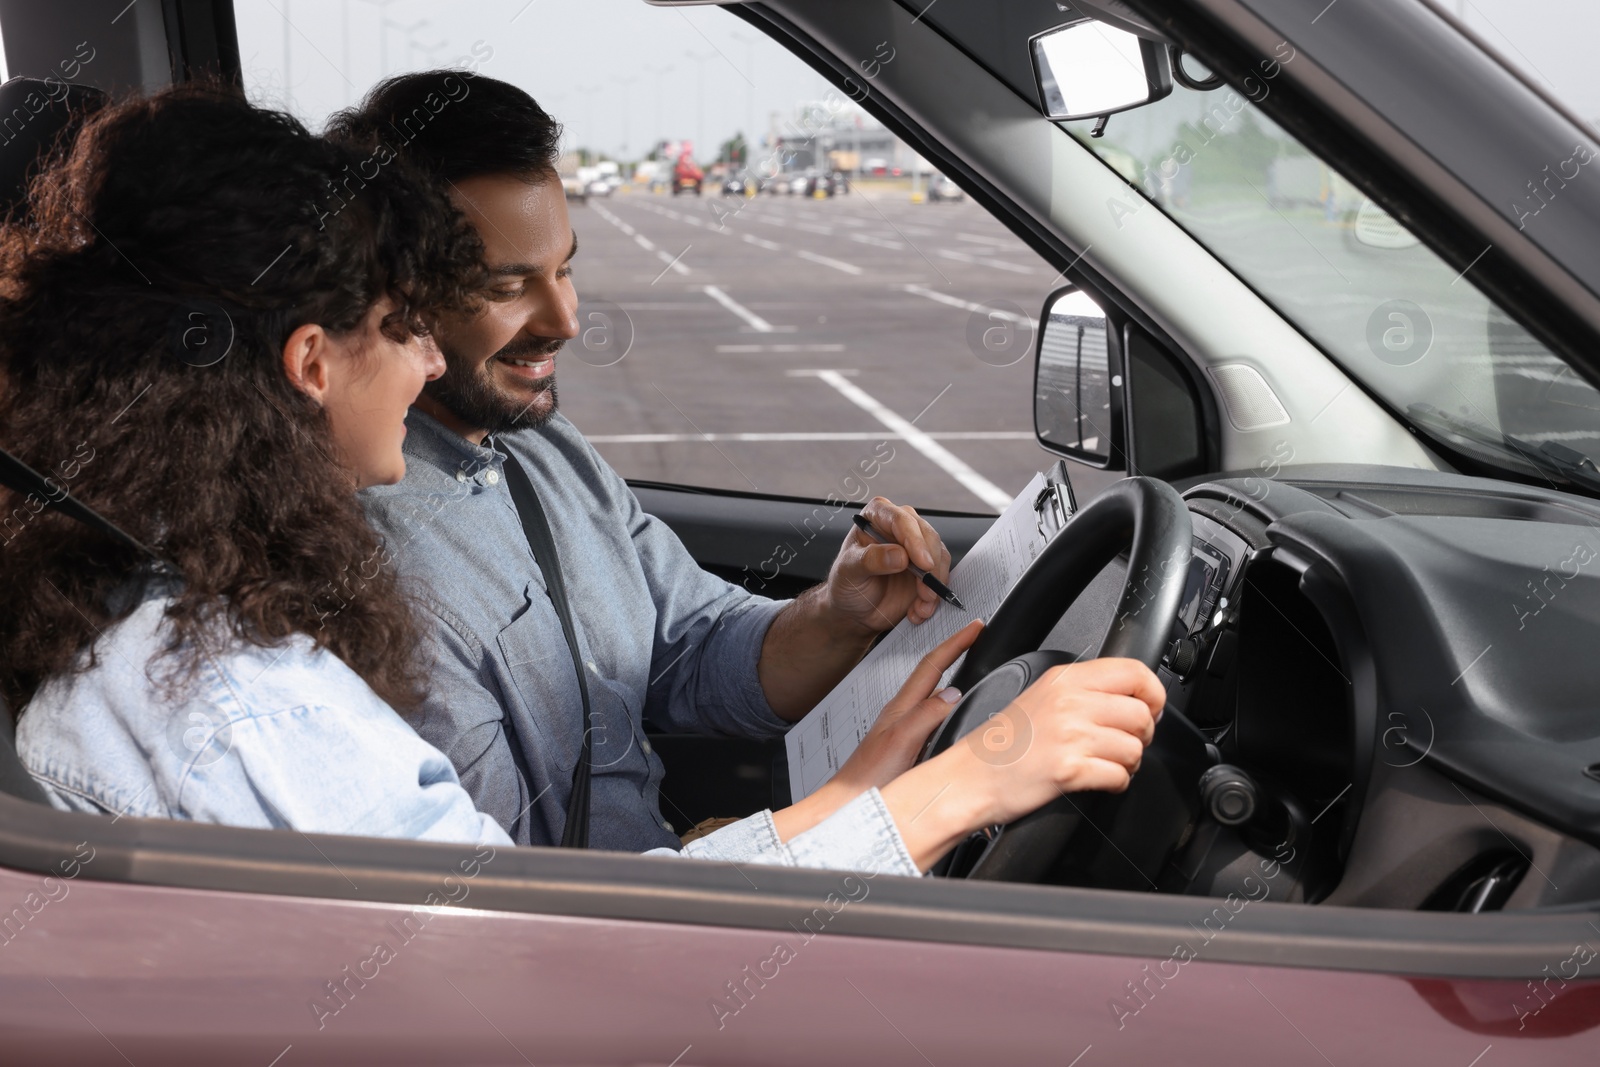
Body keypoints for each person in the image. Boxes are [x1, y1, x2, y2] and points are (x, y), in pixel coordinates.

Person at [1, 87, 1164, 875]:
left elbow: (669, 660)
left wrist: (852, 740)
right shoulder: (236, 697)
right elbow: (532, 943)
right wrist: (957, 788)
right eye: (410, 320)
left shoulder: (512, 471)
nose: (422, 358)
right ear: (310, 360)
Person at [327, 72, 977, 851]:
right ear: (399, 295)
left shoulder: (540, 448)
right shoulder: (375, 569)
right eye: (507, 286)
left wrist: (839, 614)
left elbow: (690, 650)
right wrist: (858, 809)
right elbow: (509, 911)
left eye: (563, 268)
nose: (567, 319)